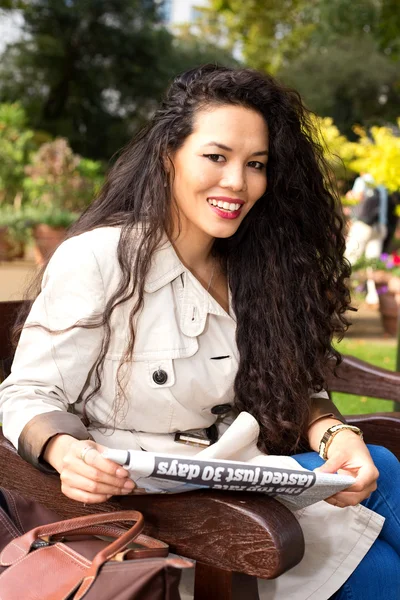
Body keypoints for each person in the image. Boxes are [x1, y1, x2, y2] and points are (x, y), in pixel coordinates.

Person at [0, 65, 398, 600]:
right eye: (216, 157)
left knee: (385, 468)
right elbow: (26, 392)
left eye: (255, 164)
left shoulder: (258, 271)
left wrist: (332, 432)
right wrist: (64, 450)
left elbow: (292, 387)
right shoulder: (100, 260)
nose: (237, 181)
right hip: (166, 516)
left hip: (251, 484)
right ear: (169, 156)